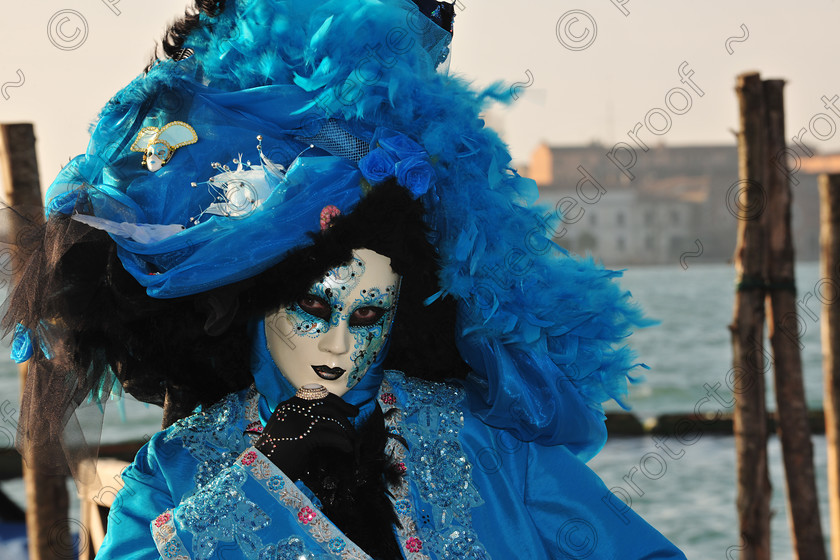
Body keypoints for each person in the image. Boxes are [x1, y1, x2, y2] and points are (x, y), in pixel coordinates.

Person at [4, 0, 686, 558]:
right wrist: (260, 480)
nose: (337, 348)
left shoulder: (486, 447)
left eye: (367, 316)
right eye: (312, 307)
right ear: (258, 305)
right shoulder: (174, 475)